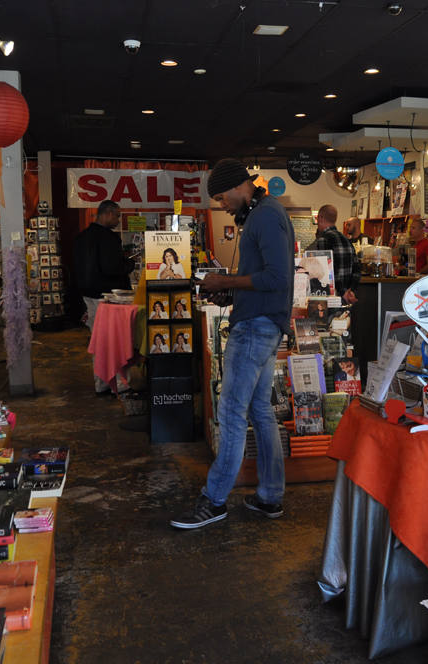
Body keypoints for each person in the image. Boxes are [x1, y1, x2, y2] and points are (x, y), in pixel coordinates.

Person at [171, 158, 294, 529]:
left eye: (222, 198)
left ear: (240, 186)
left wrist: (224, 283)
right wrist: (228, 294)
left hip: (257, 328)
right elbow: (262, 278)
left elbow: (277, 277)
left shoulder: (266, 215)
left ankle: (215, 500)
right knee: (259, 410)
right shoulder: (262, 214)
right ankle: (270, 497)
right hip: (262, 321)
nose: (222, 206)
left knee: (230, 413)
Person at [74, 200, 136, 396]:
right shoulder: (108, 238)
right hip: (110, 299)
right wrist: (129, 265)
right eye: (117, 216)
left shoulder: (81, 237)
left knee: (99, 342)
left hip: (88, 296)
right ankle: (120, 384)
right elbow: (112, 268)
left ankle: (101, 384)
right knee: (118, 342)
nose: (118, 220)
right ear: (107, 213)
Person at [315, 204, 361, 304]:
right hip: (347, 299)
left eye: (317, 218)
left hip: (331, 299)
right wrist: (351, 291)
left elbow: (328, 271)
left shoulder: (323, 240)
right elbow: (357, 270)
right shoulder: (347, 240)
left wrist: (342, 292)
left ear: (321, 218)